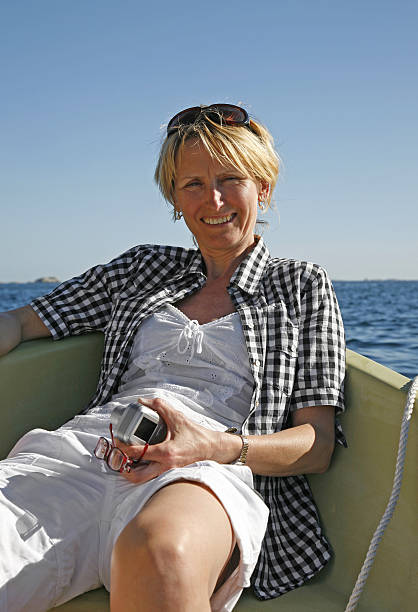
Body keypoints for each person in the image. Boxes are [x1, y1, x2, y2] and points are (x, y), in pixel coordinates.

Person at [0, 103, 346, 612]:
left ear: (262, 187)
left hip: (206, 472)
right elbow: (25, 319)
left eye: (232, 178)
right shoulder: (144, 267)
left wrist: (212, 445)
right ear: (174, 199)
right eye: (193, 185)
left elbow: (315, 445)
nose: (214, 199)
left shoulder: (300, 285)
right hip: (85, 454)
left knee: (161, 552)